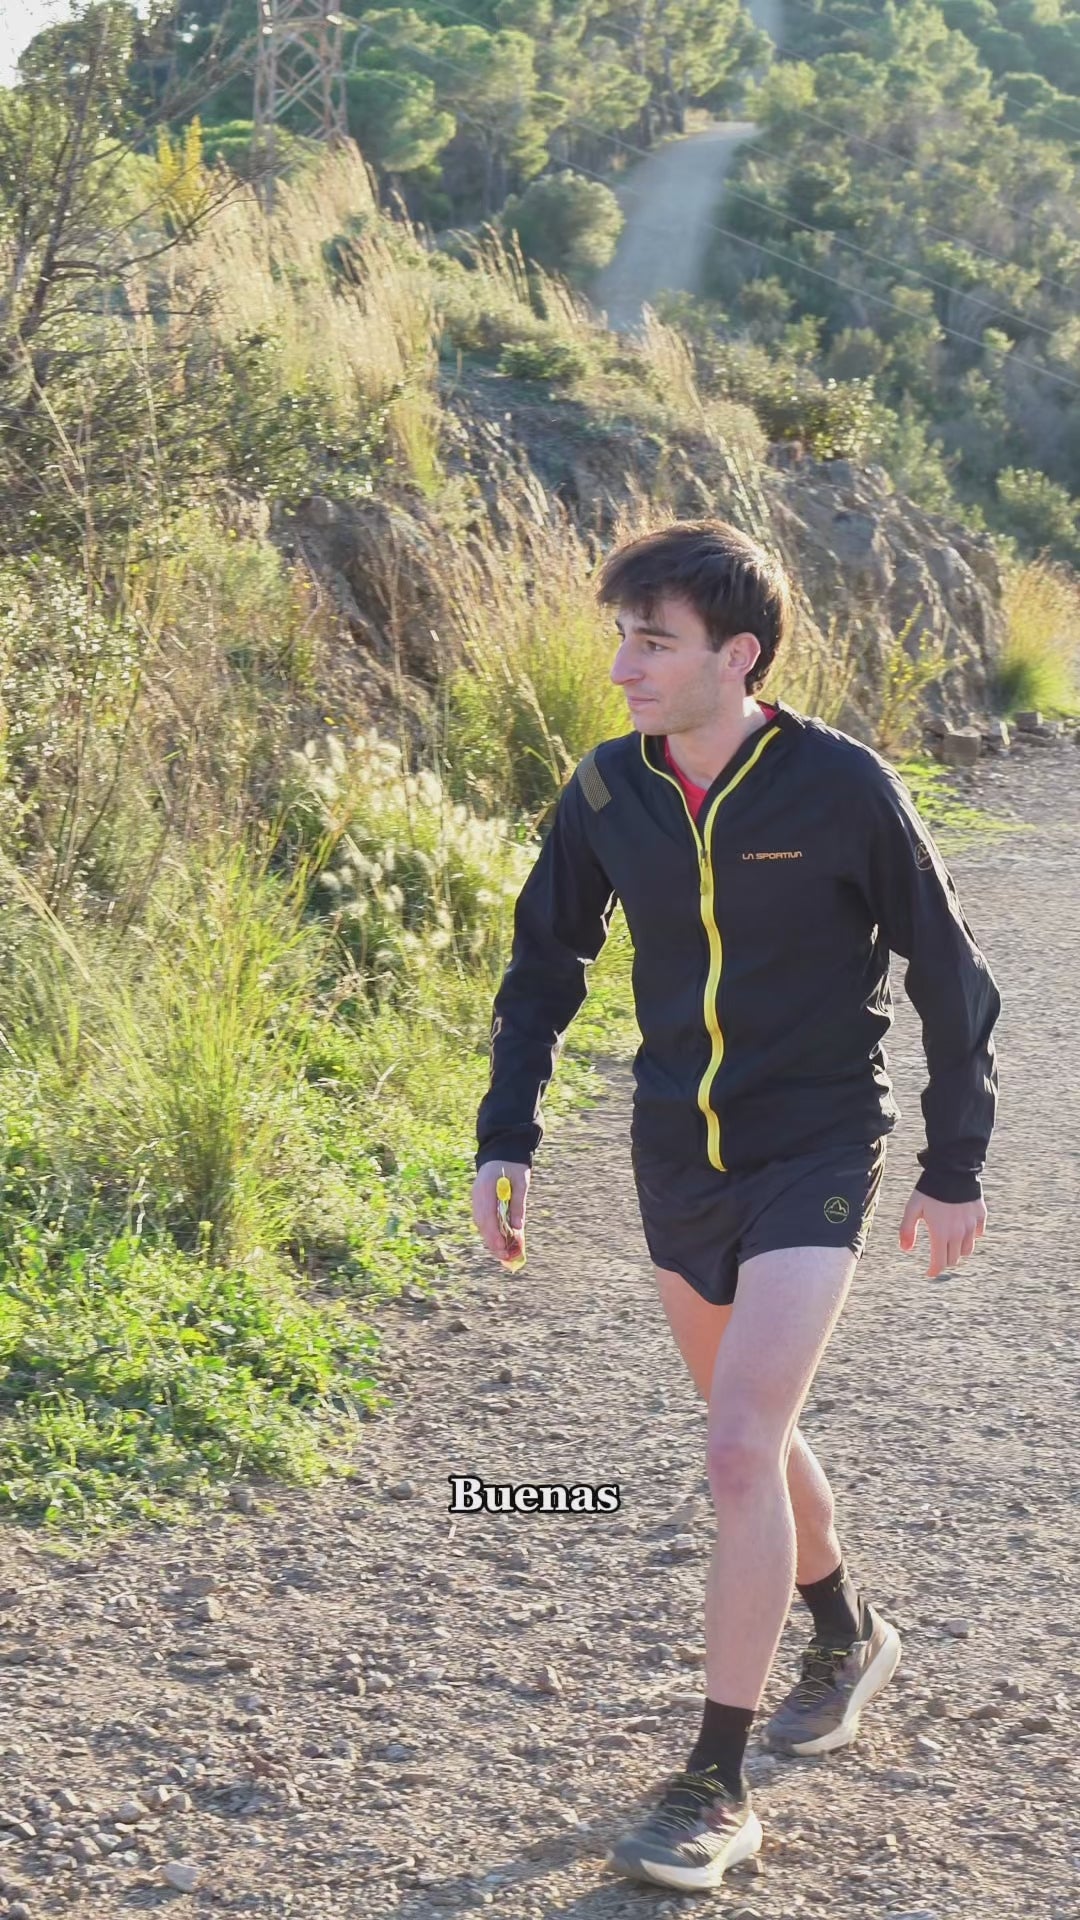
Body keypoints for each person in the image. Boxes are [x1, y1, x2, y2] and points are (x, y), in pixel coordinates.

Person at [470, 519, 1001, 1893]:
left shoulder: (840, 786)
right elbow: (543, 967)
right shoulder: (609, 791)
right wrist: (505, 1136)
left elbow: (949, 975)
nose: (623, 667)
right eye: (622, 638)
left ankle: (713, 1781)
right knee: (749, 1432)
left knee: (736, 1444)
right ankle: (849, 1632)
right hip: (677, 1150)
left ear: (739, 654)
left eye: (654, 642)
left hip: (814, 1141)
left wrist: (954, 1164)